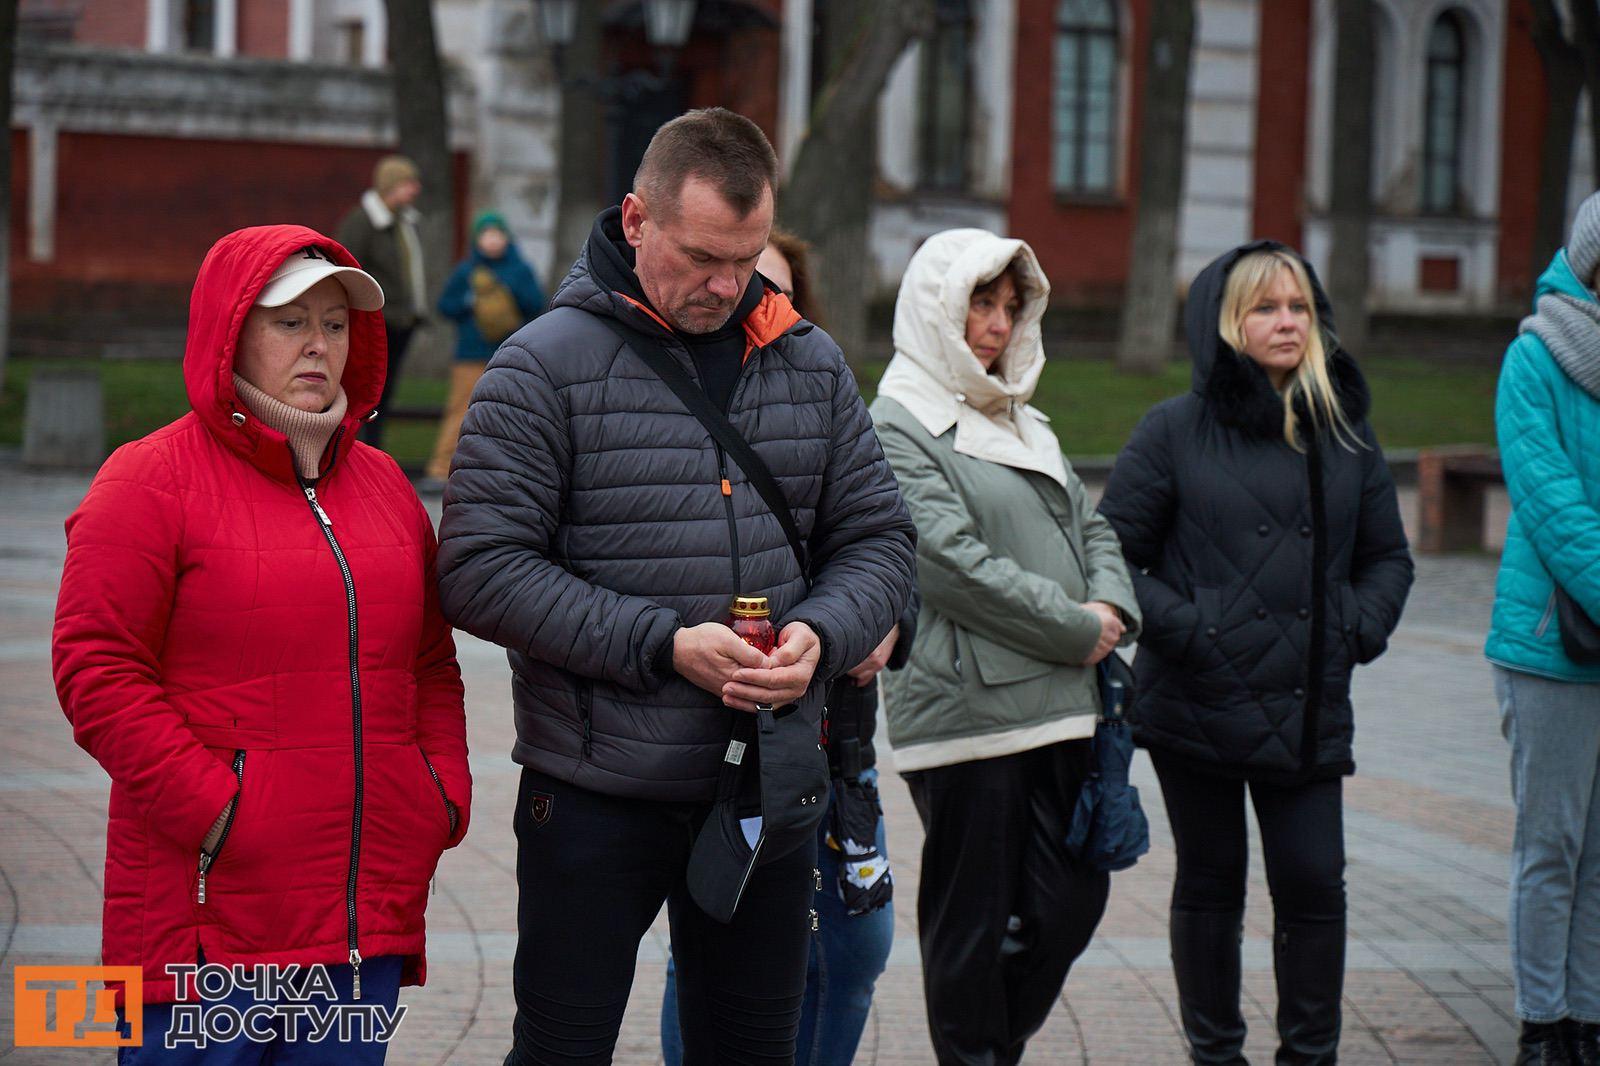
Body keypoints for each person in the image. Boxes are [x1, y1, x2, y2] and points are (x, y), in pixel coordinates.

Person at [435, 109, 916, 1064]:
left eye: (746, 258)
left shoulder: (808, 360)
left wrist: (822, 632)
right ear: (635, 218)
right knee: (562, 1048)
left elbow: (883, 540)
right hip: (595, 790)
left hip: (766, 783)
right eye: (702, 256)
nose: (727, 285)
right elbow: (479, 570)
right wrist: (664, 644)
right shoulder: (540, 366)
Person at [52, 225, 472, 1063]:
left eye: (336, 323)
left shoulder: (387, 486)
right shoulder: (148, 478)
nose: (319, 345)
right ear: (229, 328)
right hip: (205, 928)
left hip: (361, 924)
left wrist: (439, 794)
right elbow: (95, 669)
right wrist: (220, 812)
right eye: (290, 323)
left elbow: (430, 663)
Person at [1098, 241, 1412, 1065]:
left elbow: (1388, 557)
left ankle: (1310, 1057)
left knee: (1314, 886)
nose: (1286, 322)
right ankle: (1217, 1055)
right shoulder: (1173, 429)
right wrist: (1188, 627)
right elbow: (1112, 551)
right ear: (1227, 322)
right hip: (1198, 700)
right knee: (1211, 887)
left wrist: (1354, 628)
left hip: (1308, 703)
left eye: (1299, 307)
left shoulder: (1343, 431)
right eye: (1266, 307)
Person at [870, 228, 1141, 1065]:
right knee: (971, 927)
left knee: (1070, 905)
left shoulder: (1024, 420)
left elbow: (1091, 526)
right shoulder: (898, 422)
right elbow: (949, 563)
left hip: (1062, 706)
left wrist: (1113, 606)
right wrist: (1076, 628)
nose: (997, 325)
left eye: (1009, 307)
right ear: (937, 308)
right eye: (980, 304)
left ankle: (985, 1049)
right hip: (970, 715)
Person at [657, 228, 915, 1066]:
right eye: (725, 278)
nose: (739, 300)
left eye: (768, 290)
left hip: (838, 750)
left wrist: (877, 623)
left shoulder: (824, 394)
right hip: (730, 747)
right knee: (719, 958)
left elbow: (888, 547)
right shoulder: (681, 415)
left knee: (856, 954)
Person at [1485, 190, 1600, 1066]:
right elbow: (1556, 510)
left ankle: (1589, 1019)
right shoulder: (1535, 358)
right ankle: (1542, 1022)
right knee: (1551, 842)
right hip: (1551, 644)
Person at [425, 211, 546, 484]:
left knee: (513, 411)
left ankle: (513, 469)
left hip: (510, 353)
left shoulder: (519, 269)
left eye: (497, 234)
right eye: (486, 235)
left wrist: (507, 292)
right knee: (460, 409)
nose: (492, 241)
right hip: (470, 353)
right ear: (477, 239)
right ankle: (440, 469)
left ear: (506, 238)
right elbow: (445, 306)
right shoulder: (466, 271)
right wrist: (470, 301)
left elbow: (535, 303)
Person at [337, 154, 428, 449]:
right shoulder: (362, 222)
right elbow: (346, 269)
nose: (415, 189)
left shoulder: (407, 223)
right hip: (376, 322)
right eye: (408, 183)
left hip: (403, 321)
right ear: (390, 185)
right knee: (367, 391)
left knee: (384, 394)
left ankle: (372, 451)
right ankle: (357, 447)